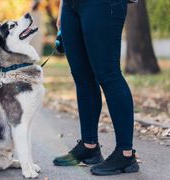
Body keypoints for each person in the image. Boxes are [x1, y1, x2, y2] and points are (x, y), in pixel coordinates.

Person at [53, 0, 140, 176]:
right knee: (82, 76)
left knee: (108, 74)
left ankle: (125, 153)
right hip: (71, 5)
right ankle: (89, 146)